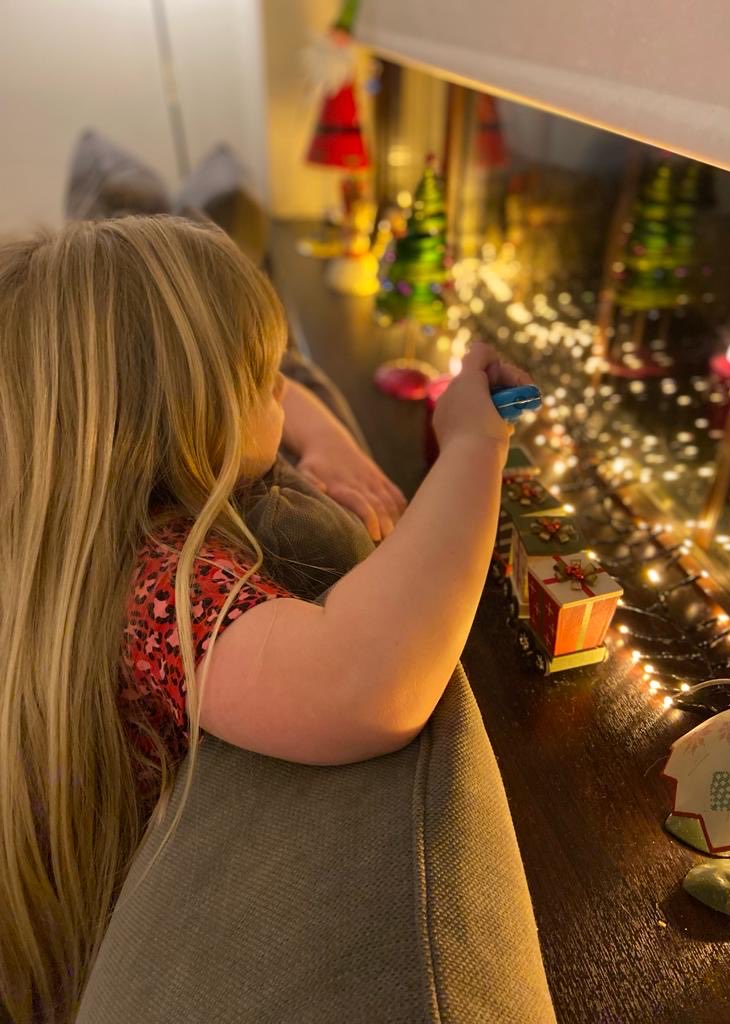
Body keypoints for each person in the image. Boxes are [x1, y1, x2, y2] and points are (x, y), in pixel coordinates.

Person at [0, 215, 533, 1024]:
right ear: (190, 417)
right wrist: (472, 444)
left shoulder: (54, 521)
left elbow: (272, 398)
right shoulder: (155, 586)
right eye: (262, 382)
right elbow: (364, 682)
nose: (287, 392)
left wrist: (320, 441)